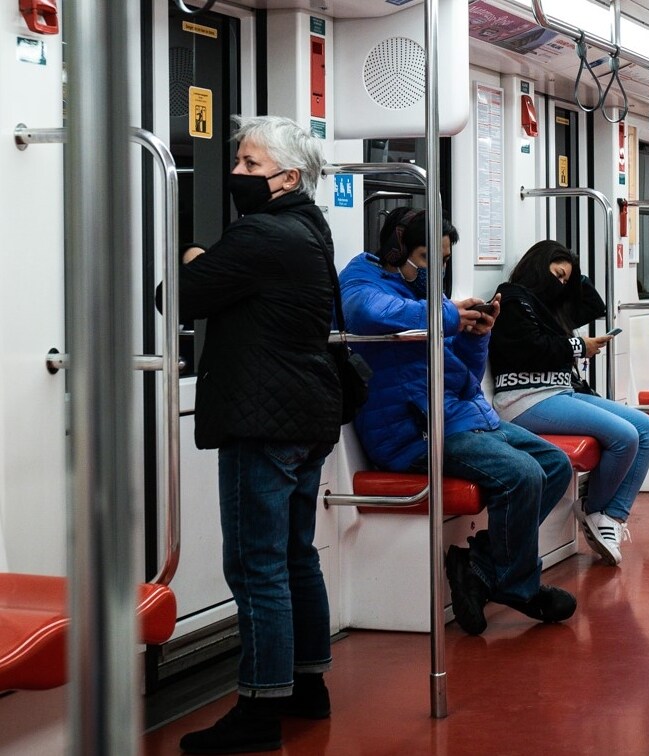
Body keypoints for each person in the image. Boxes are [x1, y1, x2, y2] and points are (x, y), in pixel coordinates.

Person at [176, 116, 341, 754]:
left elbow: (181, 295)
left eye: (249, 165)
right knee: (297, 555)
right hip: (304, 412)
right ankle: (307, 684)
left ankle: (259, 706)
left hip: (261, 418)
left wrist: (197, 257)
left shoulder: (262, 234)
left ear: (287, 178)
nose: (237, 174)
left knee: (256, 565)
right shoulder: (309, 228)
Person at [339, 209, 576, 635]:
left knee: (556, 466)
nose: (437, 268)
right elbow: (370, 313)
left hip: (461, 416)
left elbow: (462, 374)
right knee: (522, 474)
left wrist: (476, 336)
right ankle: (519, 587)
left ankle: (482, 568)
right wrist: (448, 315)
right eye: (428, 257)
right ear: (397, 251)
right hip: (415, 432)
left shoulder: (427, 292)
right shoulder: (361, 281)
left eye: (443, 259)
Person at [489, 240, 649, 566]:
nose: (561, 284)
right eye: (557, 275)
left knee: (646, 428)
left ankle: (612, 516)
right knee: (626, 436)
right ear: (538, 267)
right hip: (524, 399)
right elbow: (534, 348)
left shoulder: (546, 307)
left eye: (566, 279)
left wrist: (573, 270)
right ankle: (595, 512)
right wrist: (580, 346)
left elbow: (594, 304)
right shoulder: (511, 299)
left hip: (558, 394)